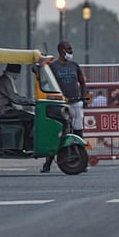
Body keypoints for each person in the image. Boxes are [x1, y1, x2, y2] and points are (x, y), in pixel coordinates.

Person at [46, 41, 88, 173]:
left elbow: (82, 82)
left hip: (76, 102)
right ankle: (48, 163)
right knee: (59, 131)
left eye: (71, 49)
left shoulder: (74, 65)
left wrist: (83, 97)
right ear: (61, 50)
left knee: (78, 130)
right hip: (62, 103)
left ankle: (82, 161)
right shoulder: (54, 66)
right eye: (68, 49)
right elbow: (47, 82)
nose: (71, 51)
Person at [0, 64, 34, 150]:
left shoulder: (7, 79)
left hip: (7, 109)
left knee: (28, 116)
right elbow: (15, 98)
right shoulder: (5, 80)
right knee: (31, 118)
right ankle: (28, 145)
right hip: (4, 111)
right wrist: (31, 102)